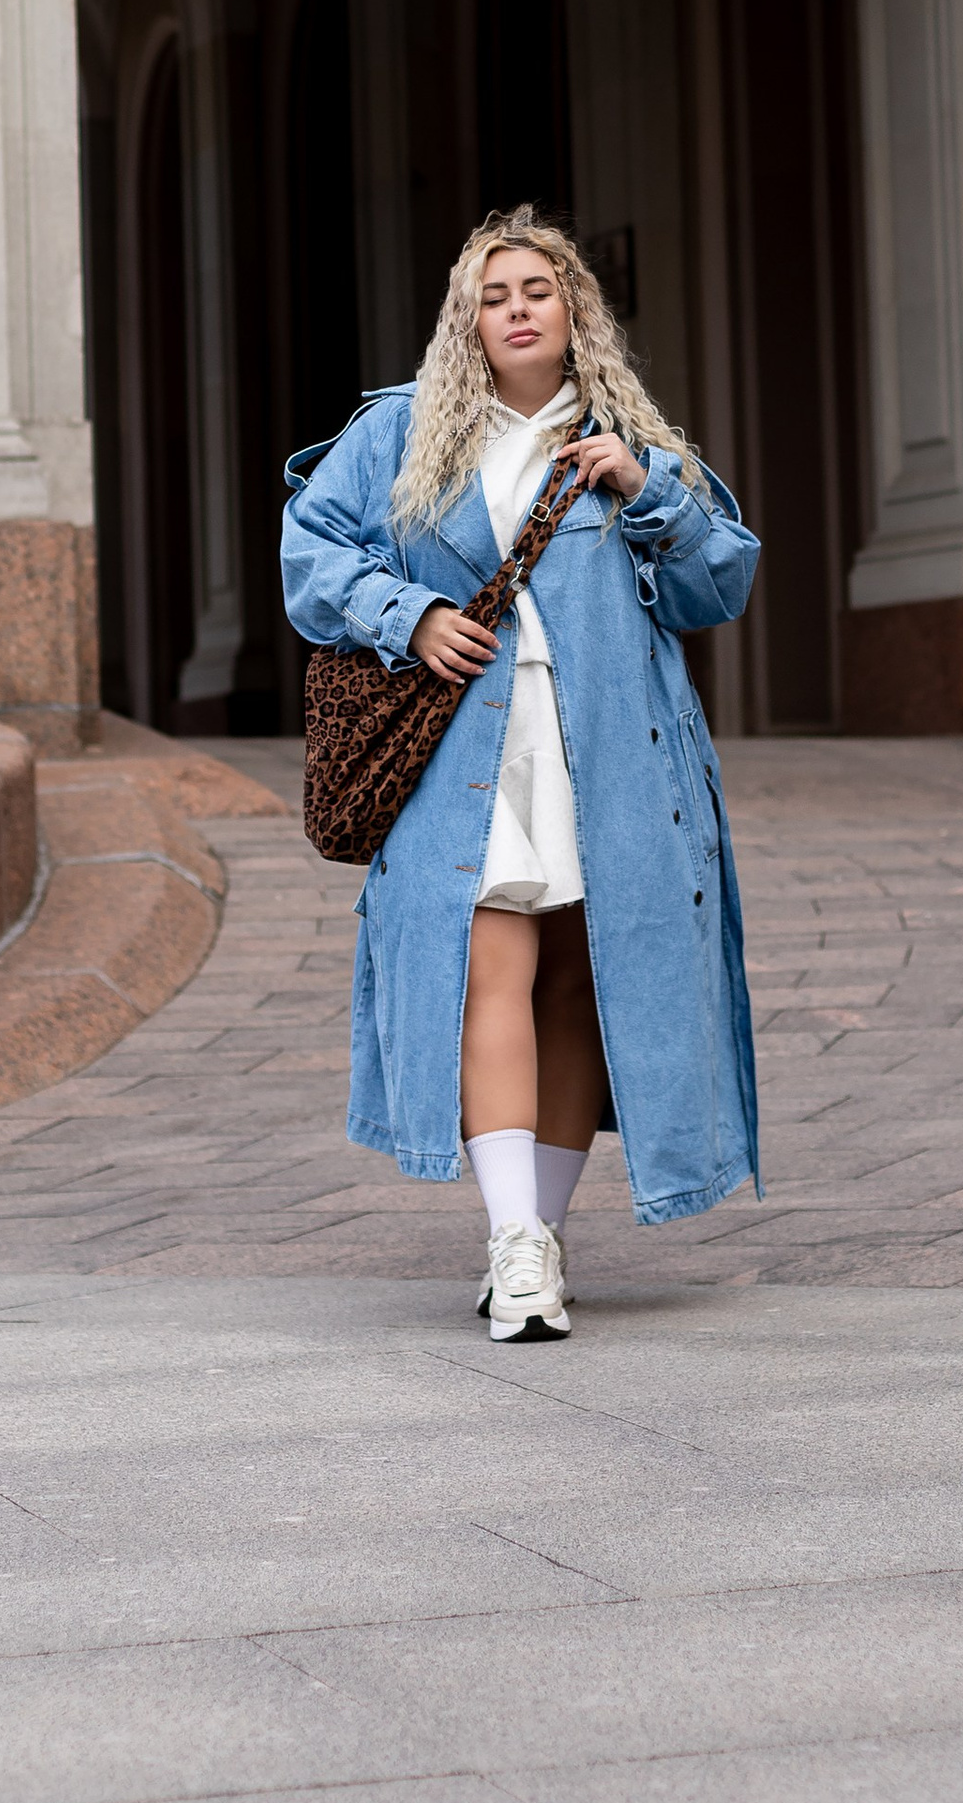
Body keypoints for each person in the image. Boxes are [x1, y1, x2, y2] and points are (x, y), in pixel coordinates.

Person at [282, 209, 761, 1340]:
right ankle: (512, 1241)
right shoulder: (399, 432)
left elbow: (721, 589)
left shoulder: (630, 439)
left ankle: (538, 1239)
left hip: (610, 747)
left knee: (577, 983)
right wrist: (409, 614)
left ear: (574, 310)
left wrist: (644, 491)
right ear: (466, 320)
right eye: (492, 296)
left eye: (535, 290)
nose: (515, 309)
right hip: (464, 752)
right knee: (490, 956)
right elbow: (314, 552)